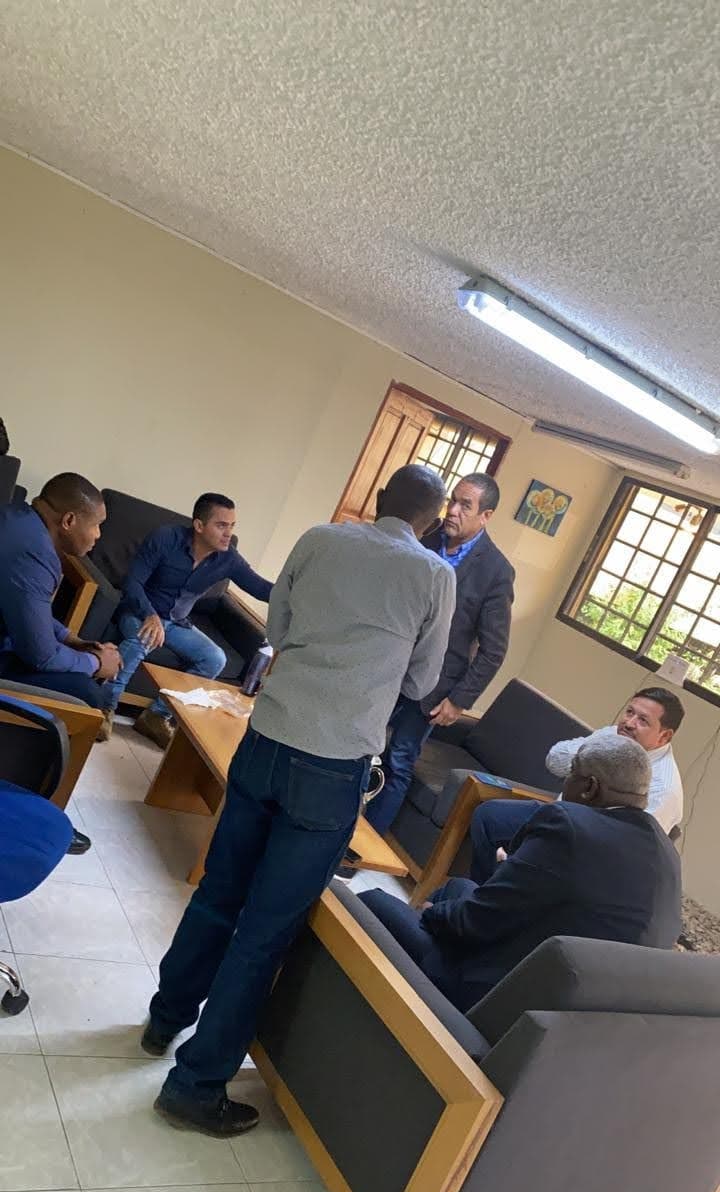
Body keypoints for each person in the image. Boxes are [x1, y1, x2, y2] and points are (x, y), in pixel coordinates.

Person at [142, 464, 456, 1137]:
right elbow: (423, 679)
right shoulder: (434, 576)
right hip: (332, 763)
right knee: (263, 932)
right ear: (429, 521)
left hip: (267, 737)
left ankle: (164, 1018)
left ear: (378, 501)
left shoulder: (320, 537)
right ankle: (195, 1085)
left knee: (218, 893)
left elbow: (278, 625)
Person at [360, 736, 682, 1012]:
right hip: (572, 1006)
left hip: (498, 996)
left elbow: (474, 923)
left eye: (571, 775)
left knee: (372, 903)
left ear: (589, 787)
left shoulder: (570, 824)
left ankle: (399, 996)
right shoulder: (666, 851)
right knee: (458, 887)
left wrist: (434, 917)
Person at [366, 472, 514, 834]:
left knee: (398, 760)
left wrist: (458, 700)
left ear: (486, 516)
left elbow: (494, 649)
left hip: (434, 687)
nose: (454, 511)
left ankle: (359, 848)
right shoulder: (423, 538)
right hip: (386, 666)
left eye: (466, 505)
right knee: (360, 743)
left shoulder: (496, 571)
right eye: (453, 501)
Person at [0, 473, 122, 854]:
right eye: (97, 525)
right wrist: (97, 665)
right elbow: (41, 656)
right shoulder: (34, 553)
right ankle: (38, 812)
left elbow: (23, 606)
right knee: (85, 694)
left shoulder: (19, 522)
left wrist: (74, 640)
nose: (99, 535)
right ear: (69, 520)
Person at [101, 493, 274, 746]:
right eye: (222, 525)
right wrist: (150, 614)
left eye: (232, 526)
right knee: (144, 637)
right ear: (199, 526)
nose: (229, 533)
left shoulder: (228, 558)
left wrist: (298, 589)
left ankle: (156, 716)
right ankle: (104, 707)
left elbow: (260, 588)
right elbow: (133, 582)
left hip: (178, 623)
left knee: (215, 659)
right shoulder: (165, 538)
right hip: (139, 612)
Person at [470, 687, 685, 884]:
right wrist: (592, 759)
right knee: (488, 816)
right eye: (629, 712)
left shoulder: (663, 789)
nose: (629, 723)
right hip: (556, 815)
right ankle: (485, 893)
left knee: (533, 857)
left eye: (643, 721)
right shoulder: (614, 736)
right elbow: (555, 759)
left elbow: (621, 850)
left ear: (664, 736)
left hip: (587, 848)